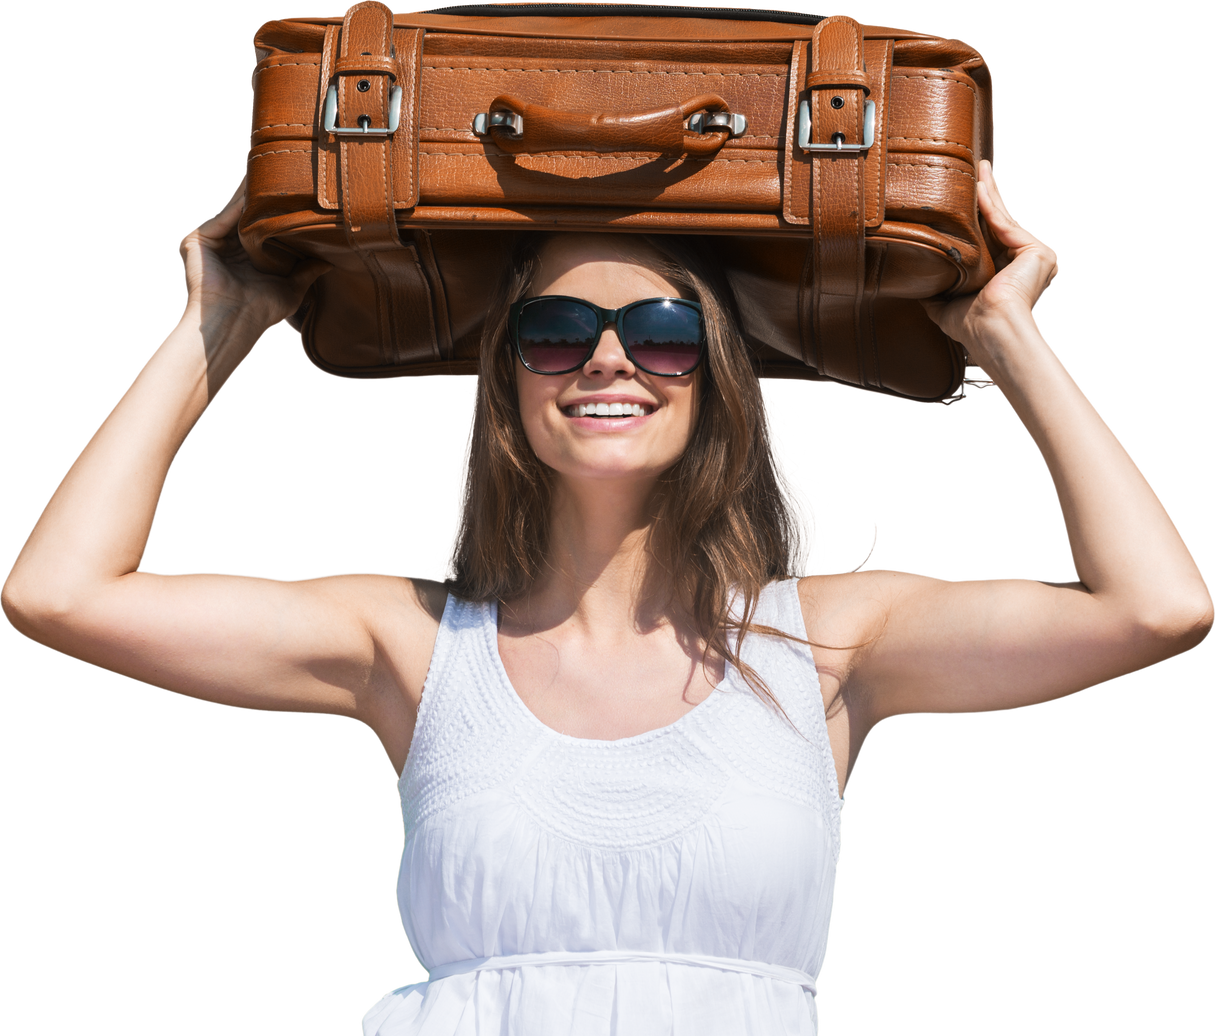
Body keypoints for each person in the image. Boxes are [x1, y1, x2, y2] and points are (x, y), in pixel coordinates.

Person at [3, 154, 1210, 1035]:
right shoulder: (411, 643)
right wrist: (219, 319)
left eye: (665, 331)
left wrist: (1008, 332)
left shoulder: (833, 638)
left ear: (720, 378)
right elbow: (58, 591)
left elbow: (1156, 608)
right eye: (558, 329)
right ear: (509, 374)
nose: (609, 359)